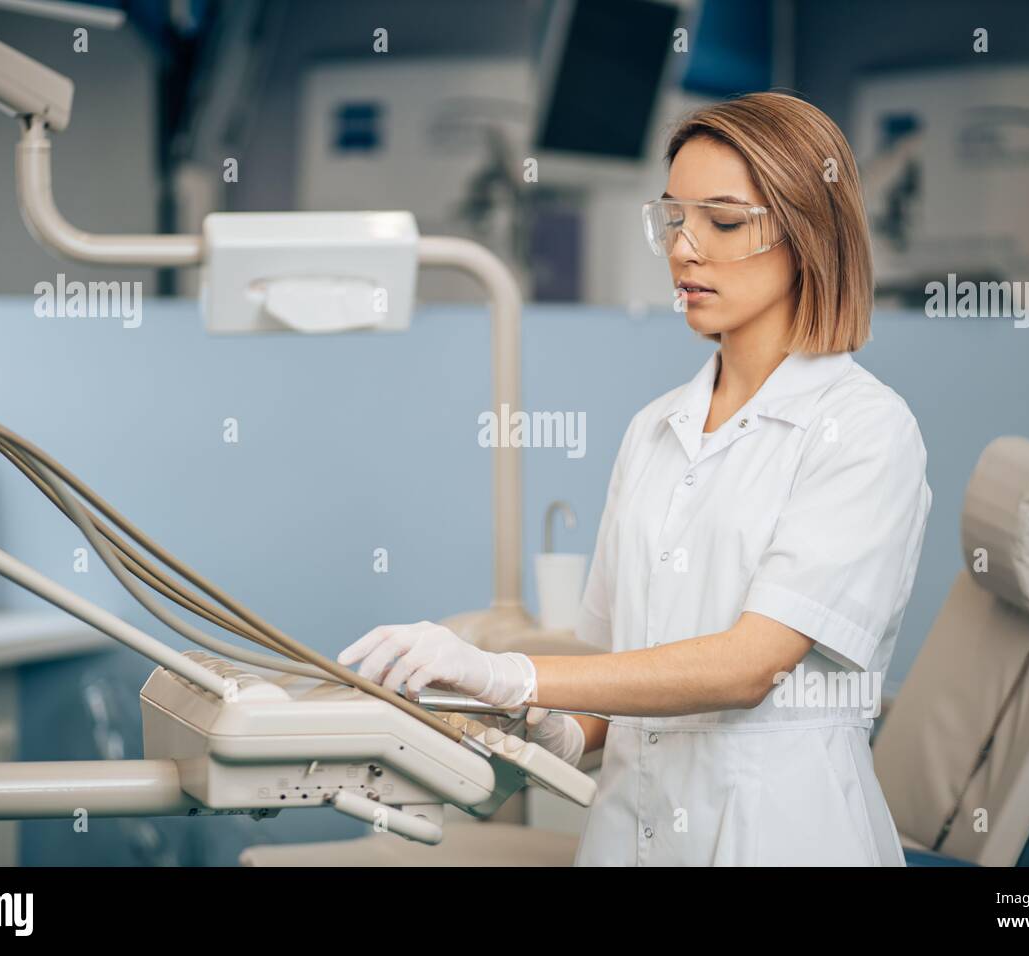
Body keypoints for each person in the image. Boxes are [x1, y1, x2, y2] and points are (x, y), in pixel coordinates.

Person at [339, 92, 932, 866]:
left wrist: (510, 673)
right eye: (675, 219)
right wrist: (544, 724)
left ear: (807, 234)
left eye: (723, 221)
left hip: (779, 834)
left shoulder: (864, 430)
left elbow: (749, 665)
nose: (685, 249)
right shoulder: (656, 430)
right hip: (631, 835)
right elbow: (619, 678)